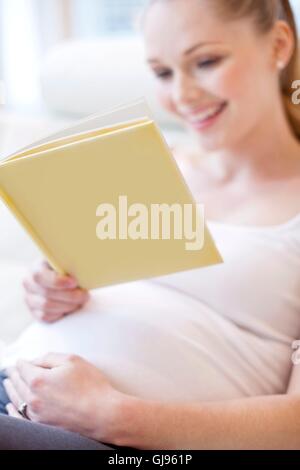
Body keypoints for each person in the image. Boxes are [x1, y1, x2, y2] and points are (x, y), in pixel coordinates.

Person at [1, 0, 300, 450]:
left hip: (112, 444)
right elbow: (84, 289)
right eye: (162, 73)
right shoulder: (146, 165)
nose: (182, 95)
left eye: (205, 62)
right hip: (16, 392)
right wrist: (52, 292)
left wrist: (112, 415)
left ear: (278, 45)